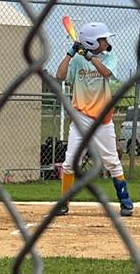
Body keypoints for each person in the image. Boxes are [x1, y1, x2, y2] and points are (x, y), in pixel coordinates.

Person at [55, 21, 133, 217]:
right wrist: (70, 54)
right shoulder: (77, 60)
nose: (106, 42)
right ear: (90, 42)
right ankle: (64, 202)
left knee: (112, 161)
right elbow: (60, 75)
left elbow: (106, 73)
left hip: (103, 120)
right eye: (102, 39)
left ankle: (125, 201)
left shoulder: (109, 57)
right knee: (70, 162)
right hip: (80, 118)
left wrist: (89, 56)